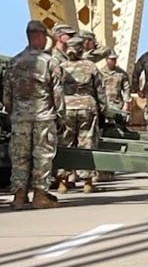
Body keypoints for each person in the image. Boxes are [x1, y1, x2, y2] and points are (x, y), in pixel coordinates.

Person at [4, 20, 65, 210]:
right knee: (42, 156)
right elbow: (57, 93)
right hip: (43, 117)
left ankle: (19, 196)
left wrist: (14, 112)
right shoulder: (49, 62)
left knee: (19, 157)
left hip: (20, 117)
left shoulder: (14, 63)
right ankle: (40, 195)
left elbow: (6, 96)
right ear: (39, 37)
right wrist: (60, 116)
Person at [57, 36, 107, 193]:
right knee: (86, 143)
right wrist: (103, 109)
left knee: (66, 142)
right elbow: (100, 89)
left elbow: (56, 89)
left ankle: (63, 181)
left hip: (67, 107)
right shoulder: (90, 66)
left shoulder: (61, 66)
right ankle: (87, 181)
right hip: (87, 107)